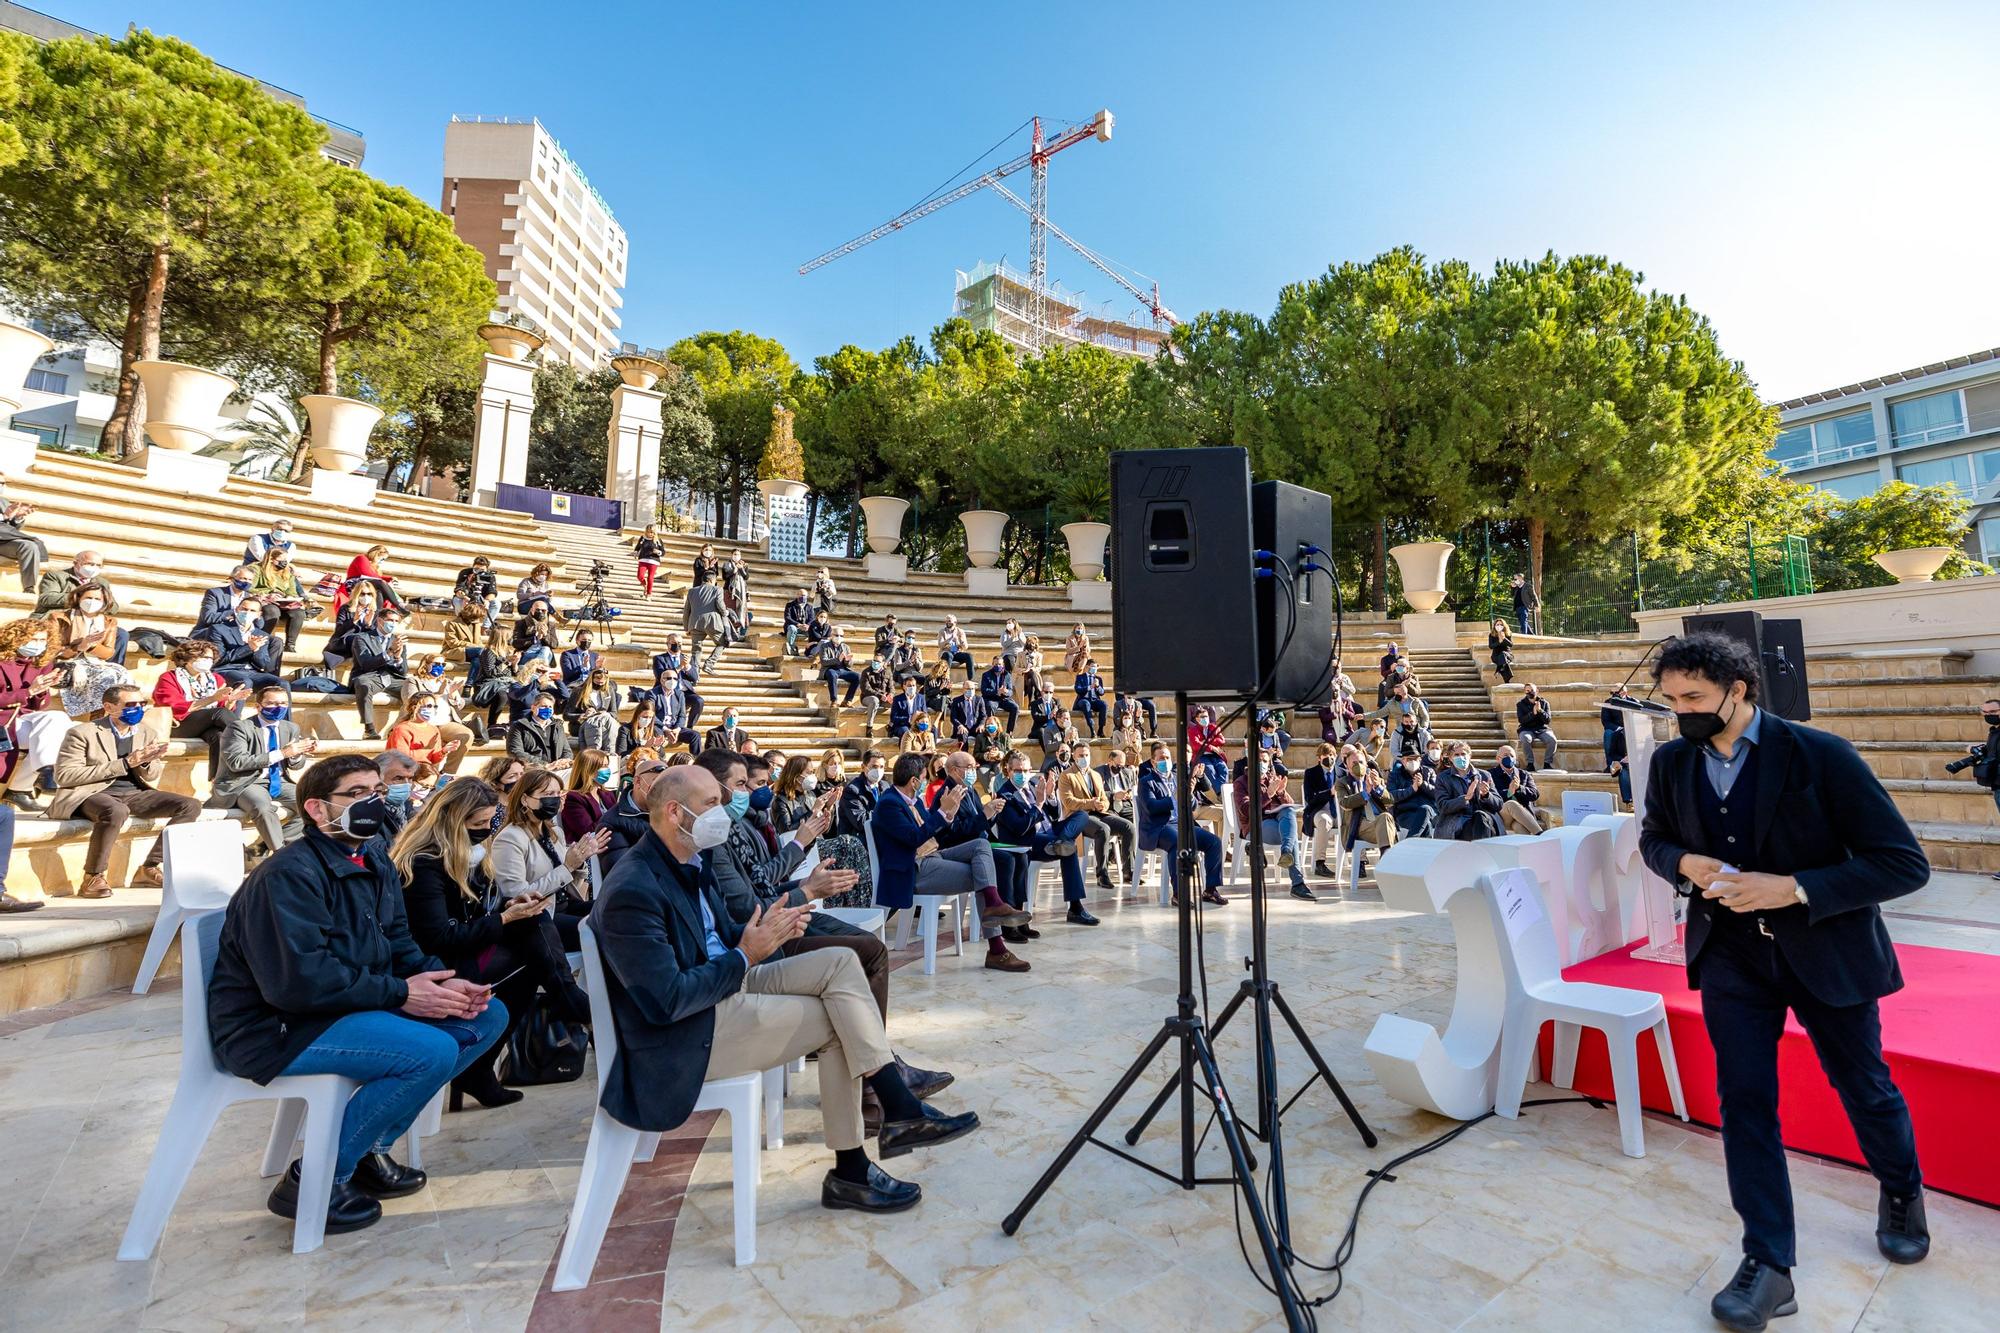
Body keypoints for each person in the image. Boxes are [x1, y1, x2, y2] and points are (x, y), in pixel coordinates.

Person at [1637, 633, 1930, 1329]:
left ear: (1738, 690)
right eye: (1671, 698)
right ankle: (1769, 1262)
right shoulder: (1673, 763)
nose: (1680, 711)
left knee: (1863, 1083)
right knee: (1744, 1101)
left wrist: (1793, 888)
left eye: (1695, 698)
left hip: (1828, 950)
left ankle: (1901, 1189)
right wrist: (1685, 864)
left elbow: (1903, 863)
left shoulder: (1821, 754)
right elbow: (1653, 838)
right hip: (1732, 955)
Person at [592, 764, 977, 1212]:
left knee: (842, 962)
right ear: (676, 813)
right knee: (840, 1022)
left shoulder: (687, 859)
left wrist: (769, 930)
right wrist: (746, 954)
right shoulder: (633, 887)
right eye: (712, 805)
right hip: (687, 1032)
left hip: (728, 982)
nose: (722, 813)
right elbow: (668, 1000)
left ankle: (894, 1110)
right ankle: (859, 1160)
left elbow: (720, 930)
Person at [207, 754, 508, 1235]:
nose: (373, 802)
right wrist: (400, 995)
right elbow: (298, 982)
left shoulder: (373, 860)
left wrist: (441, 980)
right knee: (429, 1051)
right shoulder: (289, 875)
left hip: (341, 1006)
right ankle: (316, 1178)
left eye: (375, 791)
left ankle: (369, 1146)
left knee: (483, 1018)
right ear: (318, 810)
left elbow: (399, 943)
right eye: (356, 794)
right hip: (277, 1026)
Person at [392, 776, 588, 1110]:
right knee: (532, 945)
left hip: (465, 948)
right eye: (478, 823)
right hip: (433, 963)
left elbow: (478, 910)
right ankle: (570, 1003)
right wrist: (504, 919)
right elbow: (441, 937)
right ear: (454, 822)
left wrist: (507, 908)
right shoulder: (424, 864)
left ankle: (483, 1066)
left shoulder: (468, 854)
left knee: (533, 933)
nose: (486, 829)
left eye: (489, 822)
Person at [871, 751, 1028, 971]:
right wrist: (943, 811)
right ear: (914, 780)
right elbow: (914, 838)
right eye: (925, 777)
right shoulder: (890, 803)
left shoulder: (912, 800)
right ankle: (997, 948)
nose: (928, 780)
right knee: (982, 875)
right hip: (915, 867)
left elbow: (934, 832)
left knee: (981, 847)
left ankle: (994, 908)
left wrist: (949, 815)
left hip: (933, 855)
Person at [50, 683, 203, 897]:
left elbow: (152, 775)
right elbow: (65, 776)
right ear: (109, 707)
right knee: (115, 811)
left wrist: (148, 762)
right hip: (92, 793)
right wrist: (125, 763)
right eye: (131, 704)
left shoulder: (146, 732)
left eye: (142, 703)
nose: (138, 708)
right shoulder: (82, 732)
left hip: (134, 793)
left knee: (191, 805)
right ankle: (93, 877)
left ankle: (149, 867)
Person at [491, 766, 610, 946]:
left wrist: (578, 862)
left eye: (557, 793)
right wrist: (567, 867)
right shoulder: (510, 838)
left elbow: (570, 884)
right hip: (539, 917)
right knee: (606, 930)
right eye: (547, 794)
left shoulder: (554, 832)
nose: (554, 799)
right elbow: (517, 896)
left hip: (566, 904)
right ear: (525, 799)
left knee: (619, 912)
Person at [991, 749, 1097, 925]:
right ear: (1008, 771)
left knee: (1082, 816)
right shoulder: (1005, 795)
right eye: (1017, 771)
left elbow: (1054, 816)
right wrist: (1039, 803)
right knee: (1069, 850)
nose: (1022, 774)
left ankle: (1060, 841)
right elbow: (1019, 828)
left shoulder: (1033, 785)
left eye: (1025, 770)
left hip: (1051, 833)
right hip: (1029, 840)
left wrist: (1050, 796)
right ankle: (1076, 908)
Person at [211, 683, 314, 855]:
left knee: (312, 804)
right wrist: (282, 753)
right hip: (245, 782)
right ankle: (281, 855)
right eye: (272, 703)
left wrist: (296, 754)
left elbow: (296, 765)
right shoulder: (239, 728)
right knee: (262, 807)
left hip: (279, 780)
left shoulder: (290, 728)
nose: (278, 707)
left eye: (282, 703)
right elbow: (237, 762)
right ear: (258, 706)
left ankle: (264, 846)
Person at [1138, 740, 1225, 907]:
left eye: (1168, 757)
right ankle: (1179, 893)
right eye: (1161, 758)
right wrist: (1173, 799)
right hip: (1160, 827)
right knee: (1178, 843)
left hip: (1183, 824)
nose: (1166, 761)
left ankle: (1210, 889)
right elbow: (1151, 807)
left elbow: (1192, 806)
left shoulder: (1178, 778)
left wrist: (1189, 795)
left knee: (1214, 842)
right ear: (1153, 761)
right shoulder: (1146, 781)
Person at [0, 618, 64, 814]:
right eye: (33, 639)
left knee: (59, 720)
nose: (38, 645)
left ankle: (43, 772)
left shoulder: (43, 663)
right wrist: (28, 692)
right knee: (54, 727)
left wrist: (44, 689)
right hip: (4, 720)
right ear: (16, 638)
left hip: (22, 719)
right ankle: (23, 787)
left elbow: (41, 707)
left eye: (42, 640)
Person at [1054, 741, 1131, 892]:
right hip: (1078, 817)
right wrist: (1091, 803)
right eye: (1081, 755)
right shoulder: (1066, 776)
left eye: (1087, 755)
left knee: (1129, 827)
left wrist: (1103, 804)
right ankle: (1102, 874)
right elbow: (1069, 802)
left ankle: (1129, 870)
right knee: (1103, 829)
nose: (1084, 758)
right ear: (1074, 757)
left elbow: (1103, 798)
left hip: (1098, 813)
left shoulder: (1095, 774)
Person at [50, 579, 134, 715]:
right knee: (107, 677)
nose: (92, 602)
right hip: (67, 662)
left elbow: (108, 652)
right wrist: (79, 646)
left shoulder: (109, 621)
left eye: (97, 599)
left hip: (95, 662)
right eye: (88, 598)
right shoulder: (59, 618)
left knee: (121, 674)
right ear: (79, 598)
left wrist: (91, 646)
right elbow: (52, 650)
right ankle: (99, 717)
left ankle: (112, 717)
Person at [1241, 752, 1315, 899]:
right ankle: (1298, 883)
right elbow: (1246, 810)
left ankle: (1286, 851)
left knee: (1288, 811)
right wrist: (1268, 794)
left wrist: (1281, 792)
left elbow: (1289, 802)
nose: (1262, 763)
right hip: (1257, 825)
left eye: (1265, 761)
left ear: (1269, 764)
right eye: (1259, 760)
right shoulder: (1242, 782)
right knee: (1291, 836)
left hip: (1278, 821)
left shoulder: (1272, 779)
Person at [348, 604, 409, 741]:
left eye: (396, 621)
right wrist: (389, 652)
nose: (393, 624)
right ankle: (369, 729)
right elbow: (365, 664)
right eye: (390, 620)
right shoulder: (362, 638)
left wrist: (398, 657)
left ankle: (400, 728)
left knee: (414, 687)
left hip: (391, 678)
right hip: (369, 676)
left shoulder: (397, 640)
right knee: (362, 683)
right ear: (380, 621)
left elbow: (403, 671)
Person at [384, 691, 473, 776]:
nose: (432, 710)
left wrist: (444, 750)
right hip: (402, 774)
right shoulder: (402, 729)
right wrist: (427, 753)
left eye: (435, 706)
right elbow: (402, 758)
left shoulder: (434, 730)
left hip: (423, 776)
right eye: (429, 706)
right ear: (415, 708)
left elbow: (434, 759)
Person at [1433, 739, 1503, 840]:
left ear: (1469, 756)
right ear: (1451, 758)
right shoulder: (1443, 778)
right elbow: (1442, 806)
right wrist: (1465, 798)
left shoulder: (1484, 775)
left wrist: (1486, 795)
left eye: (1463, 754)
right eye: (1456, 755)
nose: (1461, 757)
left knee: (1480, 817)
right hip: (1457, 822)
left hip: (1484, 820)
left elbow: (1499, 804)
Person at [560, 749, 618, 843]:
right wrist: (616, 813)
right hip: (589, 851)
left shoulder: (607, 794)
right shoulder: (572, 798)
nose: (607, 770)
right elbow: (588, 831)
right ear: (589, 769)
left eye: (607, 765)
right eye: (603, 766)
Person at [1303, 742, 1341, 879]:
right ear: (1319, 757)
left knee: (1357, 817)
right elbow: (1310, 798)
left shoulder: (1341, 772)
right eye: (1325, 755)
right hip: (1319, 811)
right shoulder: (1311, 773)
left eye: (1331, 755)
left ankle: (1360, 862)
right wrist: (1328, 793)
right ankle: (1320, 863)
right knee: (1324, 821)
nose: (1329, 758)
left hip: (1339, 811)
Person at [507, 690, 573, 769]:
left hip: (558, 769)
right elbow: (515, 752)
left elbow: (566, 750)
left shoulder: (558, 726)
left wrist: (564, 762)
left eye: (550, 707)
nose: (547, 709)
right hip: (533, 770)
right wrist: (544, 765)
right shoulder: (519, 726)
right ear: (533, 708)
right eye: (544, 706)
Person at [1489, 745, 1545, 835]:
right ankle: (1541, 834)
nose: (1509, 758)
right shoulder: (1490, 774)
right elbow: (1490, 795)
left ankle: (1530, 847)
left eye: (1511, 756)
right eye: (1506, 755)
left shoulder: (1524, 774)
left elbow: (1535, 794)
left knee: (1519, 826)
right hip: (1502, 815)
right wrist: (1508, 792)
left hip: (1523, 815)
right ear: (1498, 759)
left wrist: (1519, 788)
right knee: (1511, 804)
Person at [0, 483, 46, 593]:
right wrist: (4, 516)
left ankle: (29, 588)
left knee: (29, 545)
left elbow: (10, 529)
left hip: (3, 542)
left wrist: (18, 517)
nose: (1, 486)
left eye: (3, 483)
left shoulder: (4, 502)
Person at [1387, 746, 1439, 841]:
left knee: (1425, 809)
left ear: (1420, 760)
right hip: (1406, 814)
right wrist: (1411, 789)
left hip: (1430, 812)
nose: (1413, 761)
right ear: (1403, 761)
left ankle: (1408, 844)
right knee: (1426, 826)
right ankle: (1419, 851)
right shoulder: (1394, 775)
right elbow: (1390, 796)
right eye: (1409, 759)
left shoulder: (1429, 772)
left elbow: (1437, 793)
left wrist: (1423, 784)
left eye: (1415, 759)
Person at [195, 564, 259, 635]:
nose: (247, 582)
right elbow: (208, 618)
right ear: (232, 579)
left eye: (250, 580)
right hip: (212, 632)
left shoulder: (250, 597)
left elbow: (259, 625)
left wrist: (257, 612)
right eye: (243, 578)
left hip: (238, 634)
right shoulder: (215, 593)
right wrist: (235, 611)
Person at [683, 579, 729, 673]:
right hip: (713, 623)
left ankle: (695, 676)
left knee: (696, 650)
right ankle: (709, 664)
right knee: (722, 643)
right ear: (712, 579)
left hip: (695, 623)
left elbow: (686, 610)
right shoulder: (717, 589)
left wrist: (686, 627)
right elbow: (720, 605)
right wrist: (725, 612)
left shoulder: (692, 591)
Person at [1515, 682, 1560, 770]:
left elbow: (1547, 720)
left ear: (1537, 691)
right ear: (1525, 692)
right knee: (1525, 739)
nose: (1530, 692)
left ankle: (1547, 763)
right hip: (1526, 729)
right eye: (1527, 691)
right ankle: (1530, 764)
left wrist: (1540, 711)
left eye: (1532, 690)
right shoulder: (1520, 704)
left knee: (1552, 740)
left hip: (1542, 729)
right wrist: (1533, 713)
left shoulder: (1544, 703)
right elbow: (1521, 720)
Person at [817, 625, 860, 709]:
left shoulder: (846, 647)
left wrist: (847, 660)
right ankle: (834, 700)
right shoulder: (824, 646)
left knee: (858, 676)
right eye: (837, 635)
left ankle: (847, 700)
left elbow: (850, 664)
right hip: (829, 669)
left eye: (841, 635)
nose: (839, 637)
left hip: (842, 669)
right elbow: (824, 661)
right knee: (832, 675)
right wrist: (837, 659)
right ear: (832, 635)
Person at [1601, 684, 1636, 770]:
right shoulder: (1608, 703)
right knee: (1608, 733)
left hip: (1631, 728)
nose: (1613, 695)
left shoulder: (1634, 702)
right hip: (1616, 729)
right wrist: (1619, 729)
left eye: (1616, 692)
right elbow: (1606, 721)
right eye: (1611, 692)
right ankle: (1611, 766)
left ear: (1624, 692)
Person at [1072, 658, 1108, 738]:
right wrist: (1090, 687)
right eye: (1092, 666)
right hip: (1083, 700)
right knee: (1086, 703)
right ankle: (1092, 730)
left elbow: (1102, 693)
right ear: (1087, 667)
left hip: (1094, 700)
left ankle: (1101, 729)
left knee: (1104, 704)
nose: (1094, 669)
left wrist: (1098, 686)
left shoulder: (1098, 679)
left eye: (1096, 667)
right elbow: (1078, 690)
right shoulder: (1080, 677)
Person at [936, 615, 975, 681]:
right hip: (946, 653)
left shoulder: (960, 631)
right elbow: (940, 645)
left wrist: (959, 642)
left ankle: (971, 679)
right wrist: (948, 640)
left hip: (957, 652)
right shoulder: (942, 631)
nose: (947, 622)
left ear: (955, 622)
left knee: (969, 656)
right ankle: (945, 679)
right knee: (948, 655)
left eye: (949, 621)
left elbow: (965, 647)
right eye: (946, 621)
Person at [632, 525, 666, 598]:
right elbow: (638, 547)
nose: (650, 534)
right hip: (643, 559)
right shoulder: (643, 538)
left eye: (652, 532)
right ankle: (644, 584)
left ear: (654, 533)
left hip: (653, 561)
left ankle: (649, 593)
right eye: (648, 532)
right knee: (640, 576)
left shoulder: (658, 540)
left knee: (650, 577)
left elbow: (663, 552)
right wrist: (635, 552)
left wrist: (658, 552)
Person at [1488, 619, 1515, 685]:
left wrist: (1504, 638)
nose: (1499, 626)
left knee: (1503, 654)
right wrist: (1499, 641)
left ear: (1504, 626)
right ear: (1495, 626)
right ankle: (1506, 678)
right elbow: (1491, 646)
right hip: (1496, 656)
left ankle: (1499, 669)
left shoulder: (1508, 633)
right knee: (1502, 656)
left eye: (1501, 624)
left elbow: (1511, 644)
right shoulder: (1491, 635)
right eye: (1497, 624)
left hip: (1508, 655)